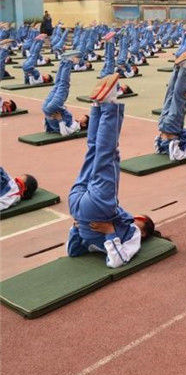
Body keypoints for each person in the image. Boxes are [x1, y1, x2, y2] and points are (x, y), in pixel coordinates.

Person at [66, 73, 159, 268]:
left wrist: (107, 230)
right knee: (93, 152)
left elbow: (117, 261)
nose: (135, 219)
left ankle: (108, 105)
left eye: (140, 220)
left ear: (144, 232)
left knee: (107, 155)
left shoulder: (134, 235)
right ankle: (97, 107)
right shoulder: (123, 229)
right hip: (77, 205)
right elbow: (73, 252)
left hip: (92, 210)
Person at [42, 50, 90, 136]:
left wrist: (59, 119)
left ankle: (68, 61)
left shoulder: (77, 127)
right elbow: (47, 127)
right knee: (58, 85)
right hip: (47, 109)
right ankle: (63, 61)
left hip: (52, 109)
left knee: (63, 85)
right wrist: (48, 117)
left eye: (84, 118)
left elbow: (65, 133)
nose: (82, 116)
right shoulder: (72, 121)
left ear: (84, 124)